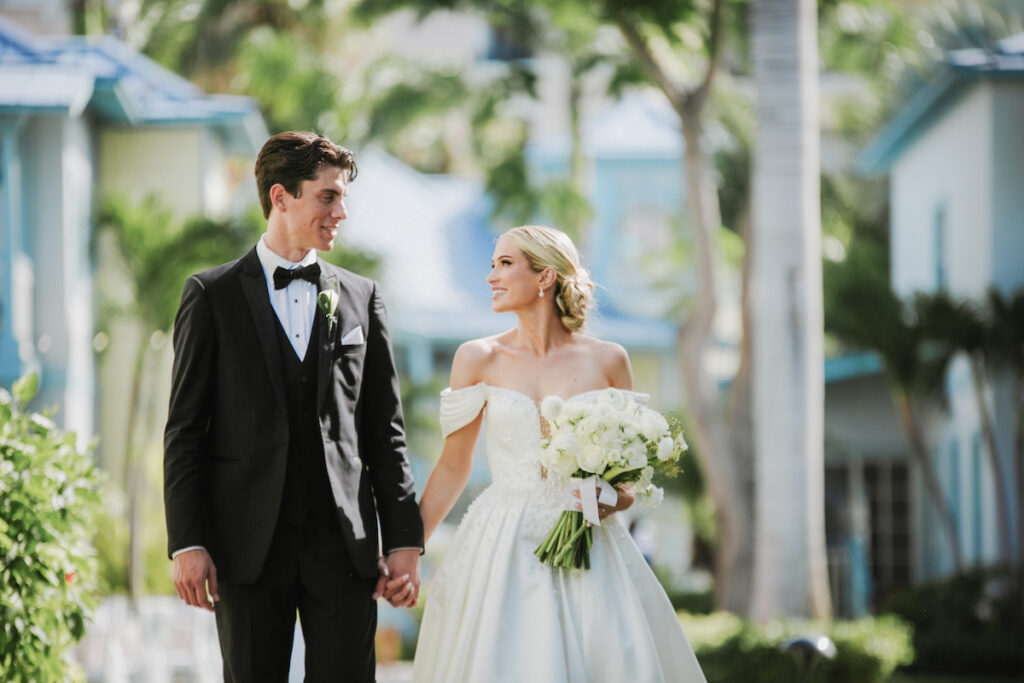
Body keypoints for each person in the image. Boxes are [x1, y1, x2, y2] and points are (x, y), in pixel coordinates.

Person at [163, 131, 423, 683]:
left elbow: (386, 430)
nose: (342, 212)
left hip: (345, 544)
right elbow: (185, 431)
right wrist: (188, 541)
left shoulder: (362, 297)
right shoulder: (211, 296)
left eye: (344, 198)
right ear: (280, 197)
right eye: (328, 196)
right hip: (246, 544)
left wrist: (403, 540)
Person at [412, 225, 706, 682]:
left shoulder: (609, 360)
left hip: (591, 541)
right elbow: (454, 465)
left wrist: (612, 501)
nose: (491, 276)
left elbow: (625, 484)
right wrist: (408, 550)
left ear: (545, 278)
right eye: (492, 264)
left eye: (505, 264)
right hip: (502, 543)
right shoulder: (478, 358)